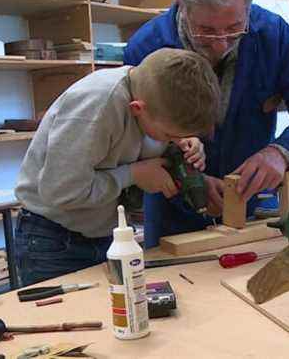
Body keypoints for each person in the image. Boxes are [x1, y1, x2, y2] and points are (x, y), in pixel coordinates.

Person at [123, 0, 289, 248]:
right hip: (172, 213)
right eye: (206, 31)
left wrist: (282, 152)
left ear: (248, 10)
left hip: (249, 208)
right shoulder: (147, 47)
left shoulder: (272, 36)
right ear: (182, 6)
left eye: (233, 28)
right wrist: (188, 176)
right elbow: (133, 136)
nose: (220, 44)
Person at [14, 48, 220, 286]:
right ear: (137, 109)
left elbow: (139, 146)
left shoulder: (152, 102)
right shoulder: (96, 107)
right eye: (169, 135)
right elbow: (61, 192)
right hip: (54, 241)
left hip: (104, 235)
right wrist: (134, 175)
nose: (172, 140)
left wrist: (183, 153)